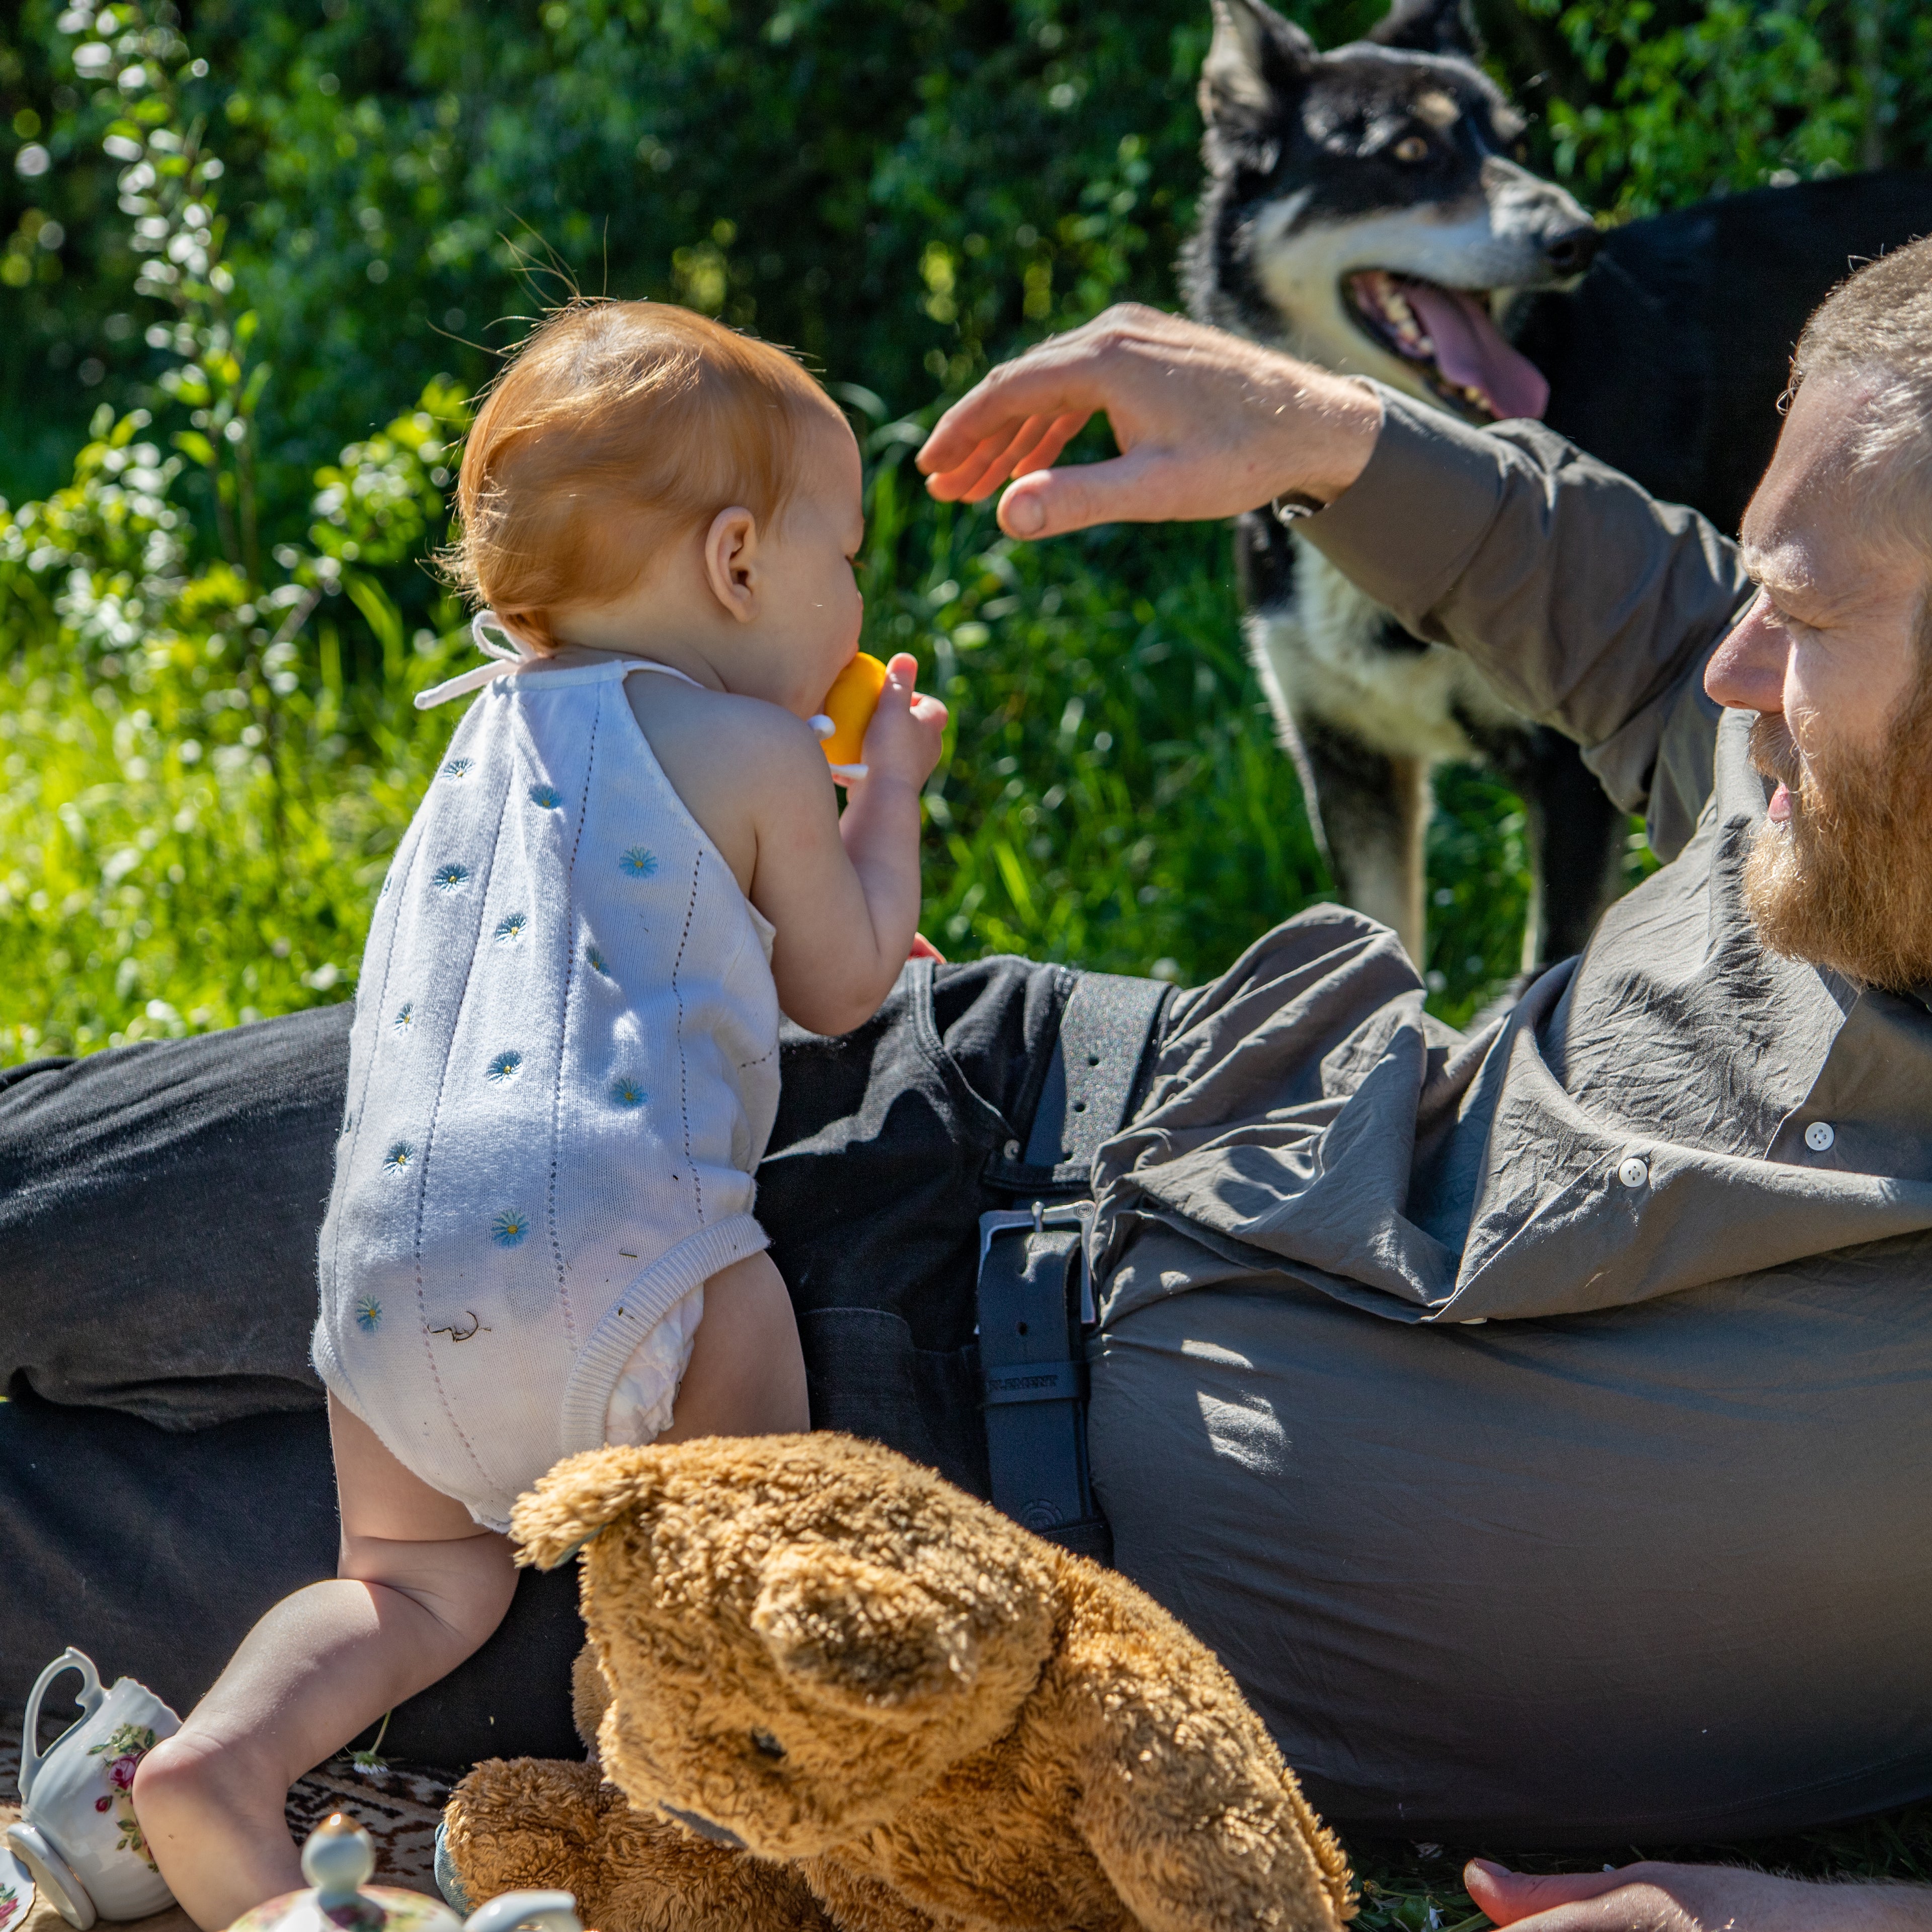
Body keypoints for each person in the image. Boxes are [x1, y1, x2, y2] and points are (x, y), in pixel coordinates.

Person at [6, 245, 1932, 1931]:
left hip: (870, 1593)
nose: (1742, 679)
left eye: (1817, 622)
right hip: (885, 1091)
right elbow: (1682, 631)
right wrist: (1333, 438)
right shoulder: (1815, 766)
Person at [125, 300, 947, 1927]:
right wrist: (891, 794)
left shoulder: (476, 745)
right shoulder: (756, 745)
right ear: (735, 564)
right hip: (622, 1242)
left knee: (411, 1584)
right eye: (844, 558)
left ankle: (211, 1768)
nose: (857, 599)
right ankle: (726, 1783)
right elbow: (848, 986)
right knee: (744, 1500)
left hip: (388, 1279)